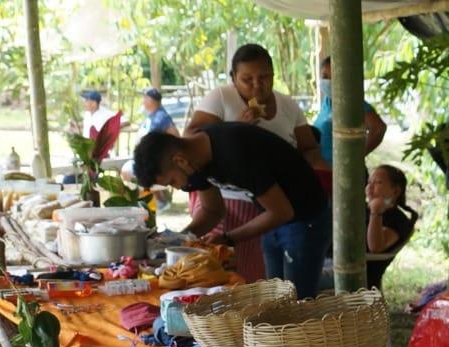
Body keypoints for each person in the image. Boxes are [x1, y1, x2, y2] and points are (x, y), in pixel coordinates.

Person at [132, 125, 329, 296]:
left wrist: (228, 238)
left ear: (180, 161)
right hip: (275, 219)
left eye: (172, 181)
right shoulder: (195, 163)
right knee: (278, 296)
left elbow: (282, 212)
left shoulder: (236, 153)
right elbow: (212, 211)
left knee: (298, 302)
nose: (177, 187)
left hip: (306, 218)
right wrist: (180, 241)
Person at [186, 44, 325, 280]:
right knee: (219, 271)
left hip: (273, 206)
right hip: (227, 202)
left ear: (273, 75)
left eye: (263, 77)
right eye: (246, 79)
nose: (256, 85)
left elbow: (309, 148)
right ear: (233, 79)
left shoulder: (288, 105)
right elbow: (190, 136)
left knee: (257, 278)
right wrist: (235, 128)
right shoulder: (222, 97)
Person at [315, 55, 387, 164]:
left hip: (342, 175)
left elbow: (378, 128)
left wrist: (355, 158)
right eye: (324, 76)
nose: (328, 81)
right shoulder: (327, 102)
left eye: (334, 77)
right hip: (324, 172)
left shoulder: (351, 102)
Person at [365, 165, 417, 290]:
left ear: (396, 191)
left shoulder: (399, 221)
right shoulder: (362, 207)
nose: (369, 188)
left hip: (356, 274)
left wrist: (376, 212)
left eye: (377, 183)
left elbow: (375, 247)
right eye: (369, 182)